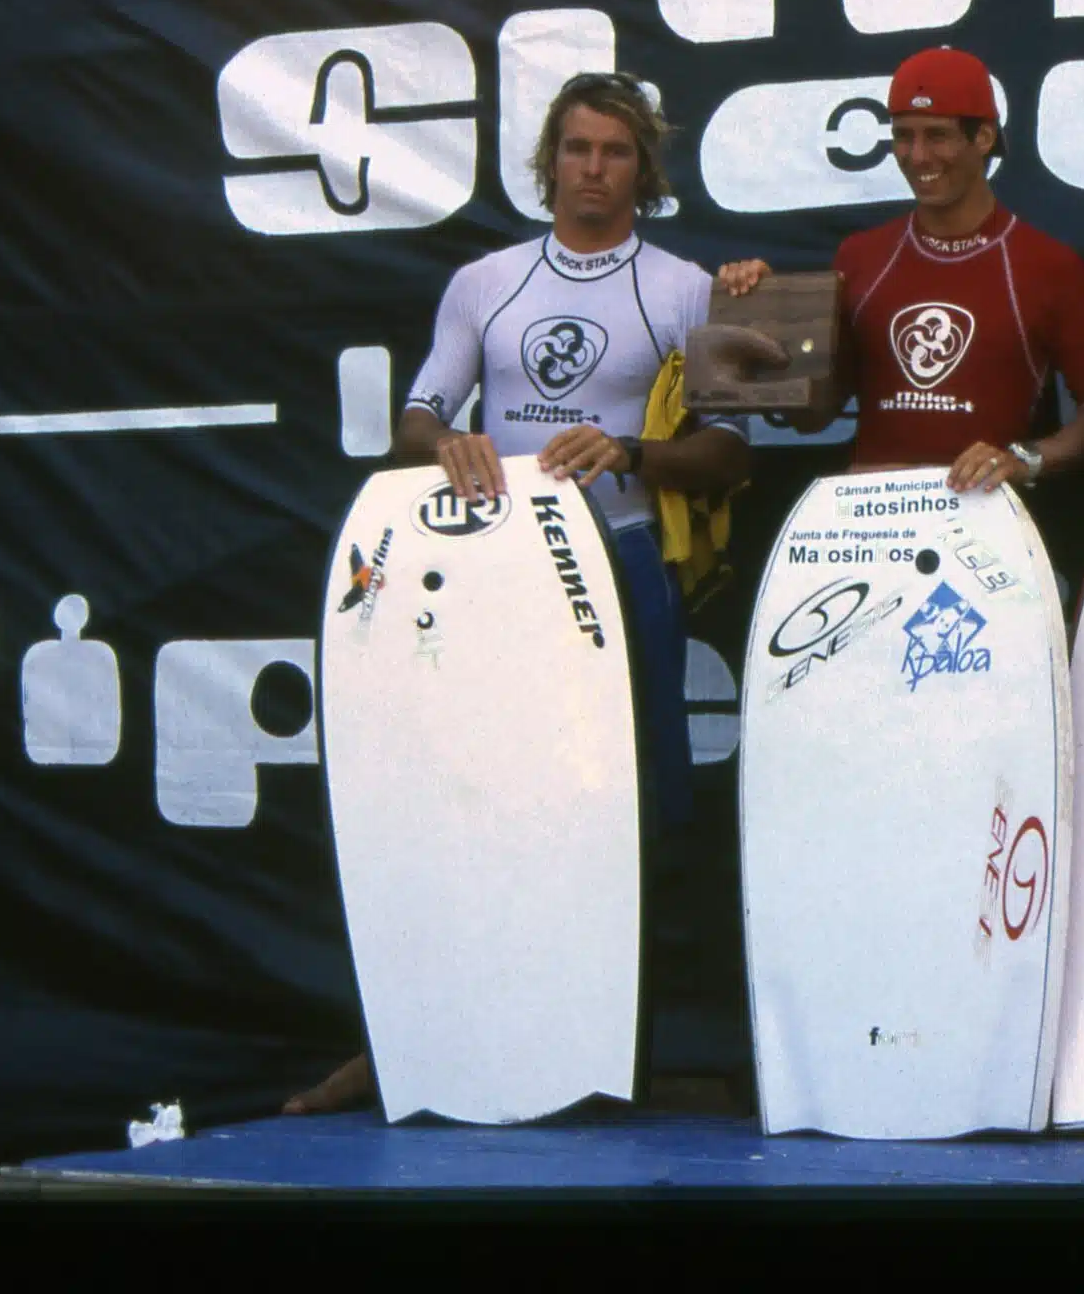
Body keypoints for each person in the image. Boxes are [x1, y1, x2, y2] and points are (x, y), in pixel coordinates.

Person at [284, 72, 782, 1116]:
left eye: (614, 152)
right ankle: (412, 1048)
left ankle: (609, 1050)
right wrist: (451, 439)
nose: (592, 170)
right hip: (492, 573)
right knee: (465, 801)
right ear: (546, 161)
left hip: (621, 568)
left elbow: (732, 453)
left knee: (629, 814)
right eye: (576, 148)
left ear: (643, 172)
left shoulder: (687, 286)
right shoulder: (486, 281)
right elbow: (416, 413)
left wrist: (634, 449)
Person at [779, 46, 1084, 498]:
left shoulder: (1048, 266)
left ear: (984, 138)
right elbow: (815, 415)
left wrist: (1023, 460)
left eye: (937, 135)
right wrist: (758, 314)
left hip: (986, 523)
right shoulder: (859, 257)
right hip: (871, 519)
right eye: (902, 136)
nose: (916, 156)